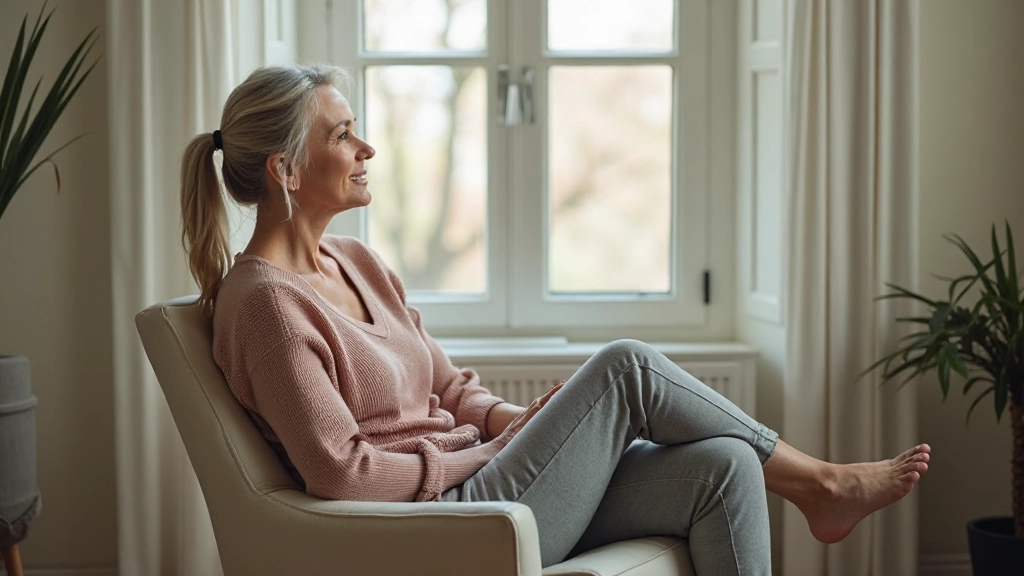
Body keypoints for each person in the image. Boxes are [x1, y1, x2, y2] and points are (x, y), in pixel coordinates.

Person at [179, 64, 930, 575]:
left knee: (724, 467)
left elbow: (449, 386)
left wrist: (518, 419)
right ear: (283, 168)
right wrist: (483, 454)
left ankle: (809, 486)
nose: (366, 146)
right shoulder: (265, 306)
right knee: (627, 366)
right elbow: (343, 475)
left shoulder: (357, 262)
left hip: (486, 479)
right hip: (445, 516)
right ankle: (820, 484)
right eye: (342, 134)